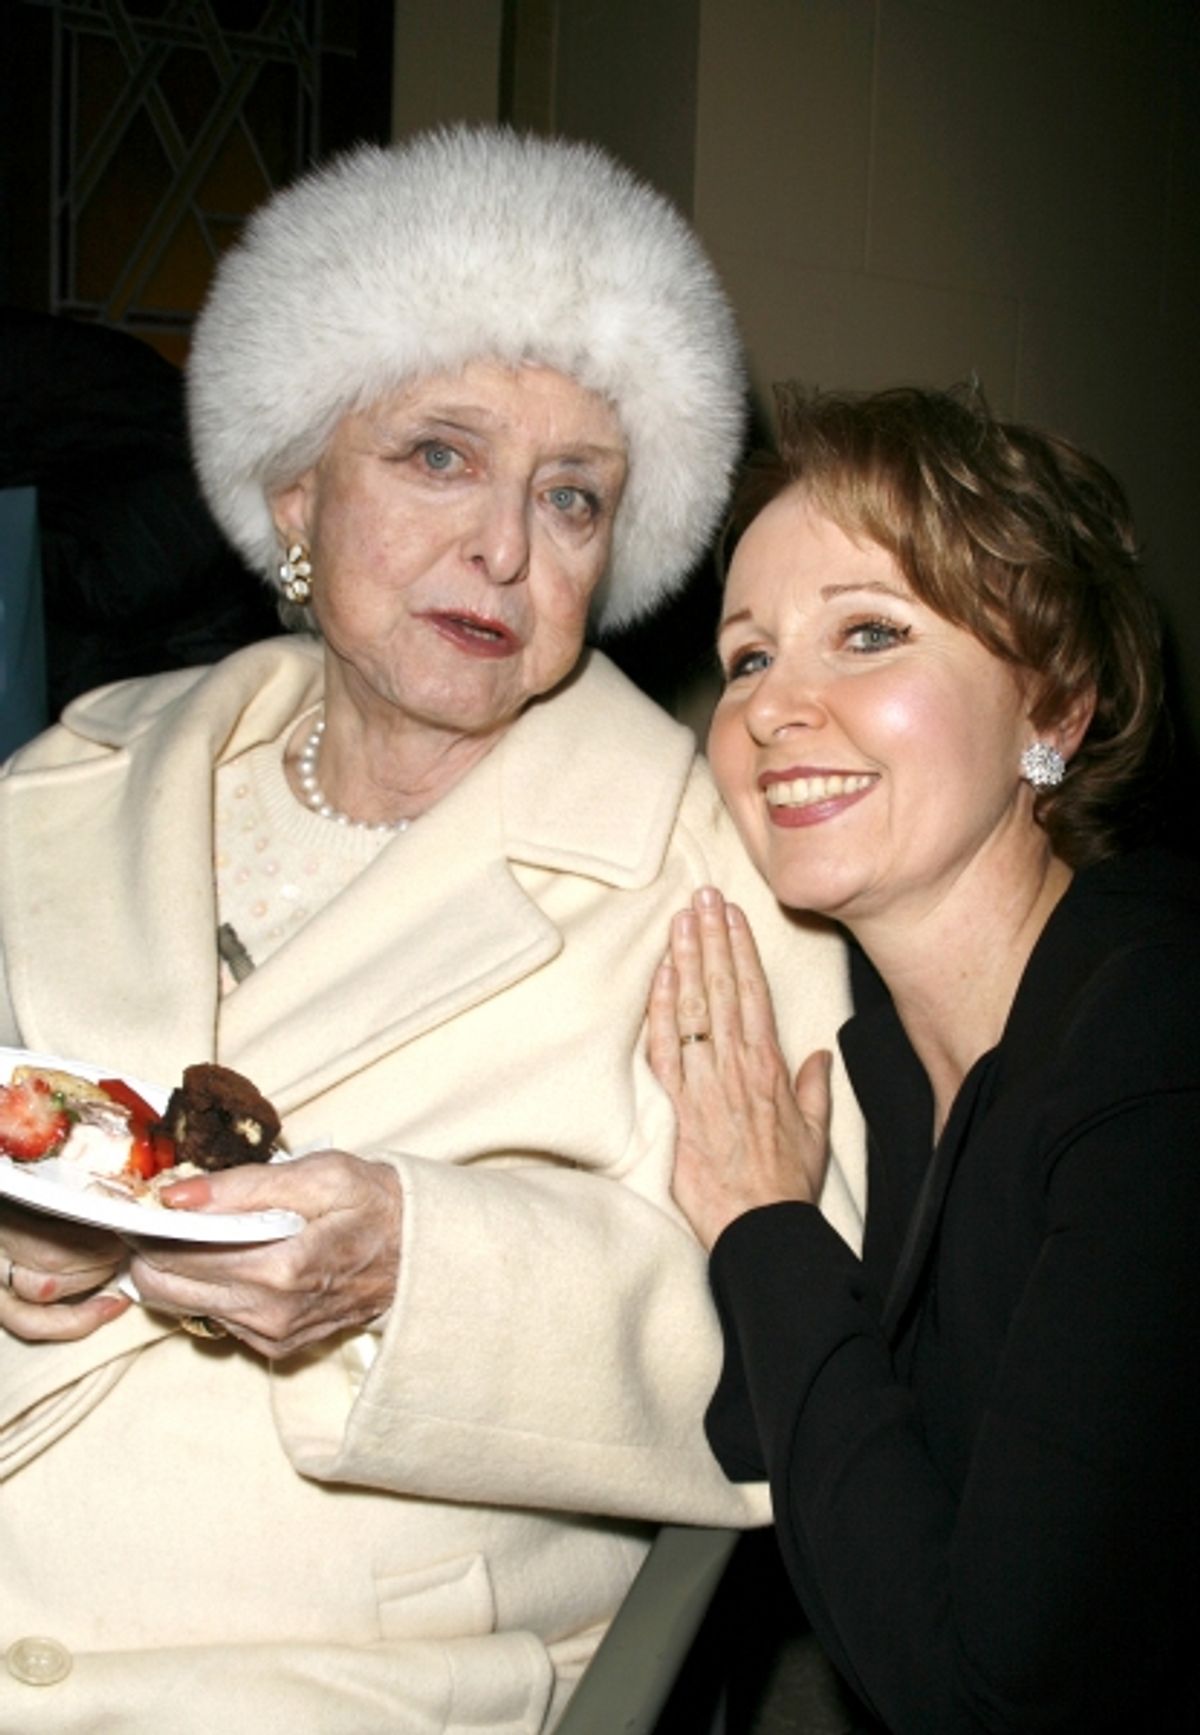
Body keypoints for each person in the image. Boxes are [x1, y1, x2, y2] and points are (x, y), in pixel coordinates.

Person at [0, 129, 864, 1733]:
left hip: (341, 1679)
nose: (505, 549)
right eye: (439, 456)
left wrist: (419, 1271)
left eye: (572, 496)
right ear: (295, 495)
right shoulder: (77, 773)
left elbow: (808, 1357)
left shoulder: (707, 871)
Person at [649, 383, 1199, 1734]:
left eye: (869, 633)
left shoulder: (1156, 1041)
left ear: (1054, 708)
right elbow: (766, 1446)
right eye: (748, 657)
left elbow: (983, 1690)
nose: (774, 709)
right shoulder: (889, 1058)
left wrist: (767, 1224)